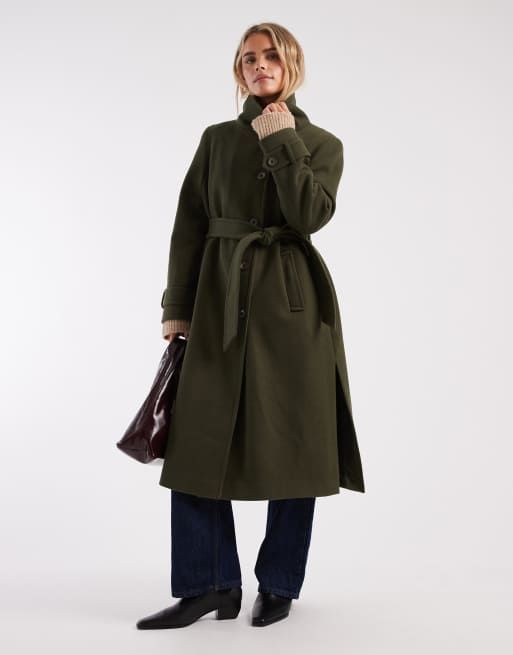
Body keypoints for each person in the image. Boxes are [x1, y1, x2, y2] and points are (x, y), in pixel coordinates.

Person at [136, 22, 365, 630]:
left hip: (293, 310)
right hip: (218, 302)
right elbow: (189, 223)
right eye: (247, 59)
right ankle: (209, 585)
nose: (258, 65)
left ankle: (280, 584)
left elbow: (310, 215)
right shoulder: (216, 140)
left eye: (270, 56)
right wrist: (178, 305)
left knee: (298, 444)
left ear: (292, 64)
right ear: (238, 72)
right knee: (196, 443)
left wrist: (282, 138)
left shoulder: (322, 143)